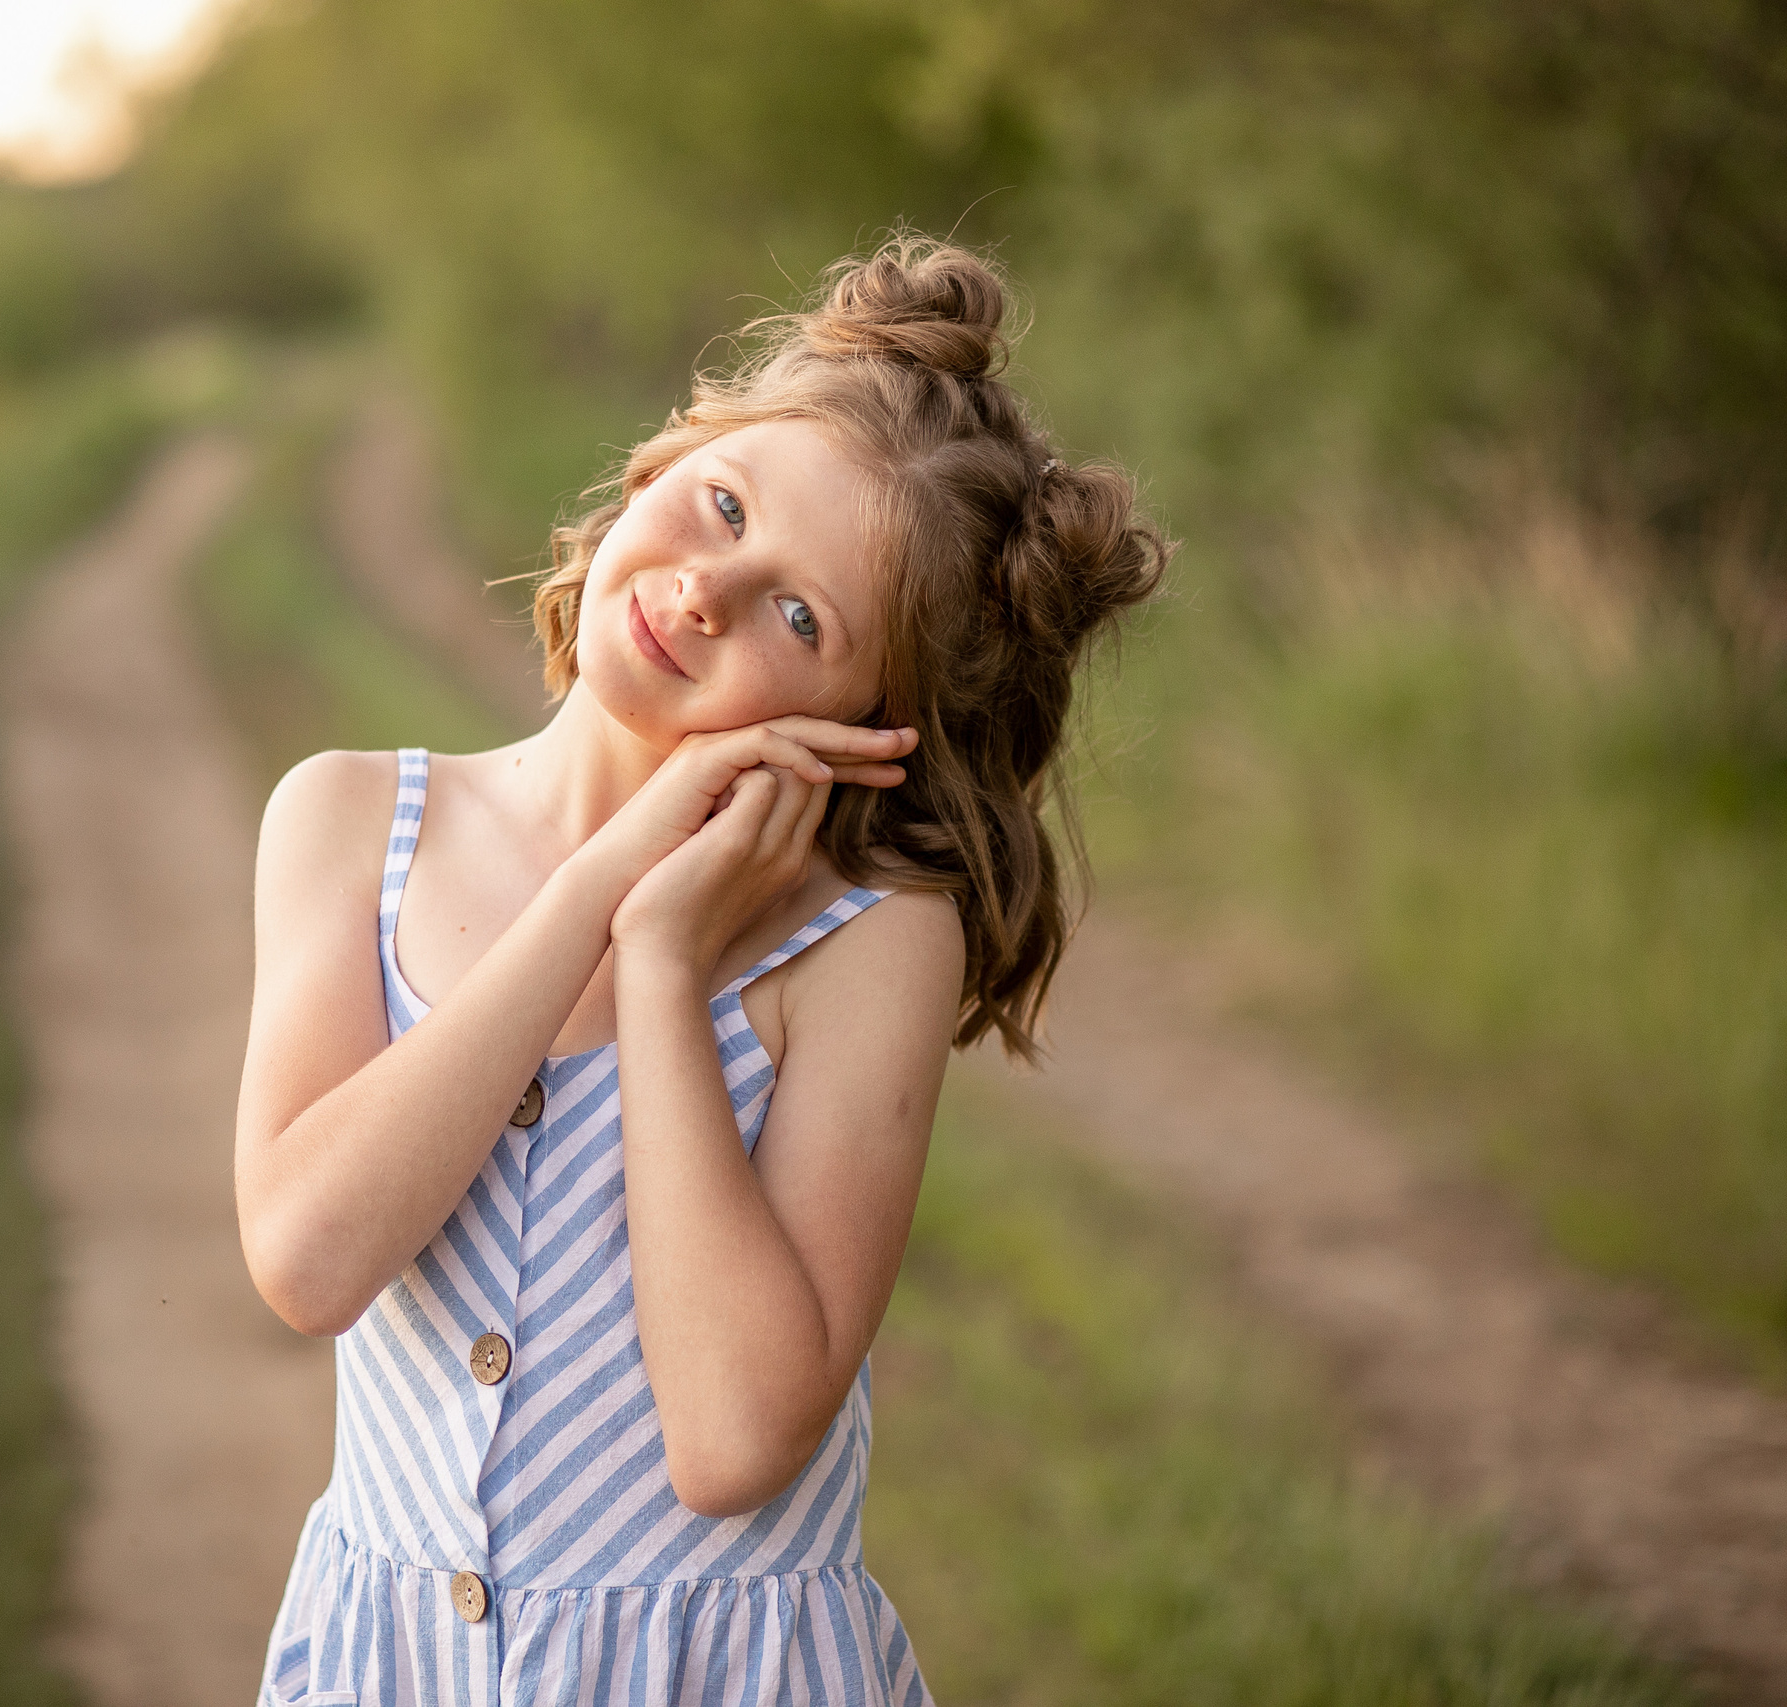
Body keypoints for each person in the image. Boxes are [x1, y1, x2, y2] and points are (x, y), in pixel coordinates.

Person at [234, 232, 1171, 1705]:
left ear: (873, 720)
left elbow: (732, 1444)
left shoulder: (863, 943)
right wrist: (597, 892)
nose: (706, 592)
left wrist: (665, 967)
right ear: (665, 456)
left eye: (802, 616)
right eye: (724, 505)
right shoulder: (354, 820)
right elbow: (308, 1259)